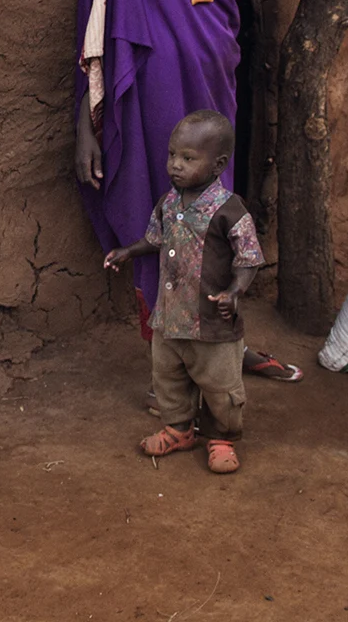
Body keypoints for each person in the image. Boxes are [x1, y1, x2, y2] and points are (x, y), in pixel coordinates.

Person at [74, 0, 294, 381]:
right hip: (154, 97)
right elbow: (95, 34)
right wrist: (85, 126)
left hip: (215, 89)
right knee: (172, 215)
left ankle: (224, 340)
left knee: (215, 214)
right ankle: (175, 355)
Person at [103, 111, 263, 475]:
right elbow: (154, 240)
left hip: (213, 321)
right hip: (171, 315)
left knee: (219, 384)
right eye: (172, 154)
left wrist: (235, 292)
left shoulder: (230, 211)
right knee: (168, 377)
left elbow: (249, 258)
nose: (175, 165)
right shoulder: (168, 203)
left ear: (218, 164)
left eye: (189, 158)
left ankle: (221, 438)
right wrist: (128, 251)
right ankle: (178, 429)